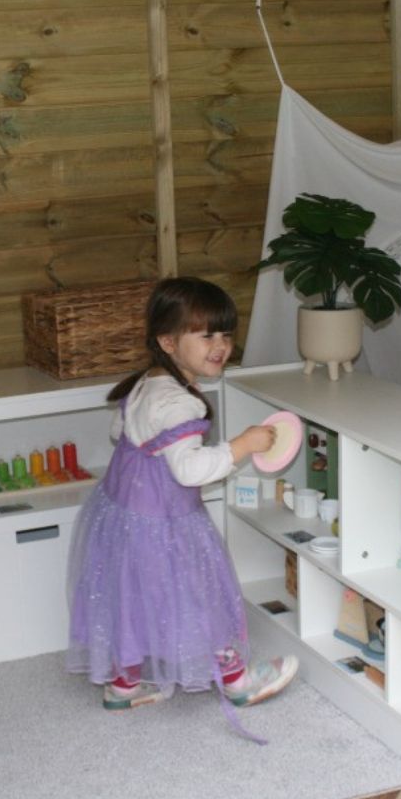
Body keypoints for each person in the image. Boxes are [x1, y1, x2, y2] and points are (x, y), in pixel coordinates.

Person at [66, 276, 299, 719]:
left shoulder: (146, 384)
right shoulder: (180, 404)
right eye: (206, 334)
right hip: (162, 524)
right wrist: (243, 445)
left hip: (122, 516)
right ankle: (236, 682)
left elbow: (121, 434)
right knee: (202, 597)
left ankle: (124, 684)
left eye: (226, 333)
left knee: (130, 600)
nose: (220, 345)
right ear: (168, 342)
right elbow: (190, 470)